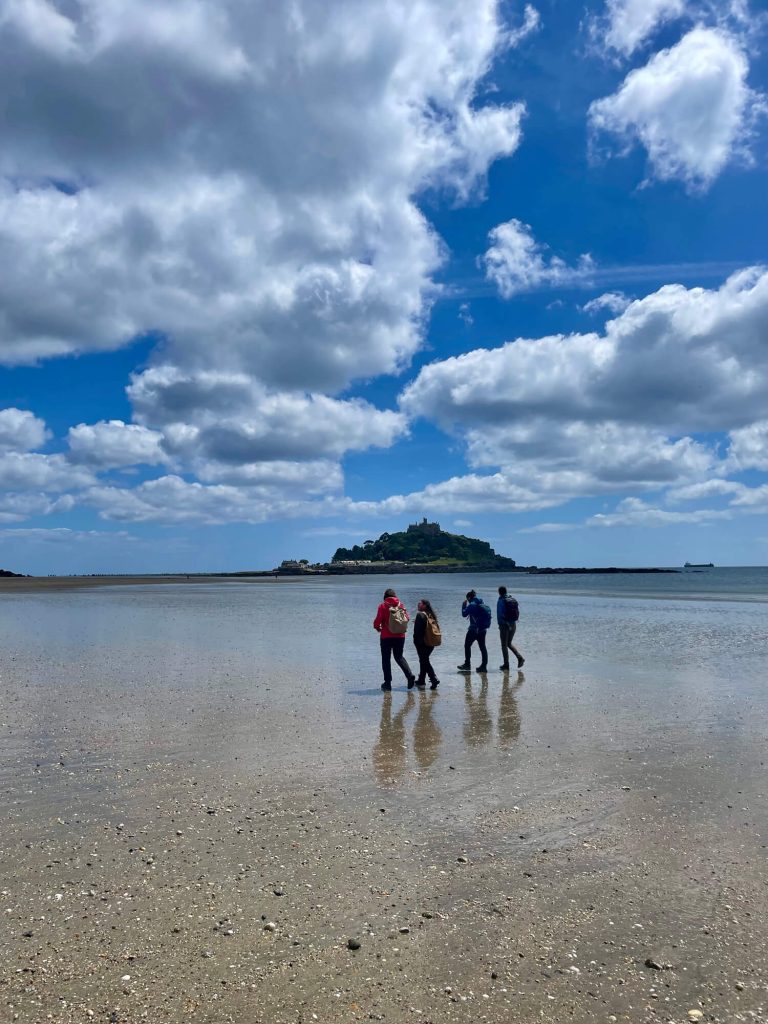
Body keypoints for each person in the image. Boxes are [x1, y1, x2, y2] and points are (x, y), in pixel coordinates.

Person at [373, 588, 417, 691]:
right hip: (400, 636)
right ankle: (409, 676)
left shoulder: (382, 606)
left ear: (385, 596)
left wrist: (377, 628)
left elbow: (377, 621)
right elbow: (407, 618)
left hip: (386, 637)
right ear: (395, 596)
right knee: (399, 657)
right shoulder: (400, 605)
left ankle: (387, 684)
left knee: (386, 660)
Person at [457, 589, 489, 673]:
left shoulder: (472, 604)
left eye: (467, 599)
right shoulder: (481, 602)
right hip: (483, 629)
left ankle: (467, 664)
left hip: (474, 630)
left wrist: (463, 606)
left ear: (469, 597)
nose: (467, 601)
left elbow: (464, 614)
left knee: (467, 645)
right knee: (483, 648)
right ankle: (484, 666)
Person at [412, 598, 441, 690]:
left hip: (423, 643)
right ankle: (421, 680)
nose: (418, 604)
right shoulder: (431, 615)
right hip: (431, 642)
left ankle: (433, 678)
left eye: (420, 603)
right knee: (423, 660)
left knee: (424, 661)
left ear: (424, 605)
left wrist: (416, 642)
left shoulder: (420, 615)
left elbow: (418, 632)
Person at [497, 585, 525, 670]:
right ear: (506, 591)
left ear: (499, 592)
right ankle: (520, 658)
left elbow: (500, 614)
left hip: (505, 625)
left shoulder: (501, 601)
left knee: (504, 645)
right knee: (508, 643)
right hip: (513, 624)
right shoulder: (512, 599)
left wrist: (501, 625)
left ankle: (506, 665)